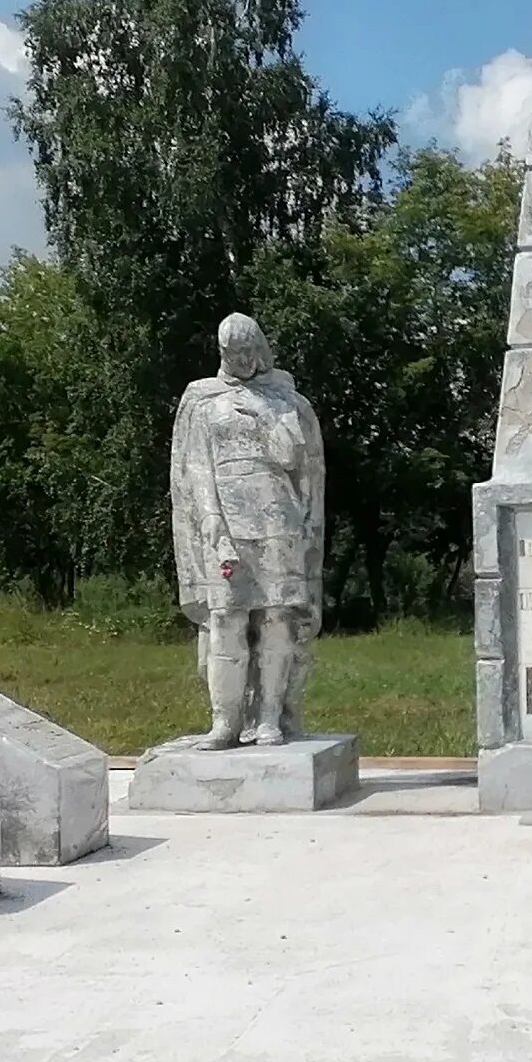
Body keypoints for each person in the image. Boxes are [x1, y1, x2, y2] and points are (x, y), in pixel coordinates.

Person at [169, 313, 325, 748]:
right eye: (230, 354)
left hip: (279, 521)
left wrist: (271, 422)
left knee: (277, 619)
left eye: (247, 352)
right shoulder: (202, 400)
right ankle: (225, 721)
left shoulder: (287, 400)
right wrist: (212, 523)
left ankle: (271, 717)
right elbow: (194, 468)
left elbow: (304, 471)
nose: (240, 361)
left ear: (260, 349)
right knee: (226, 620)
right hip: (223, 523)